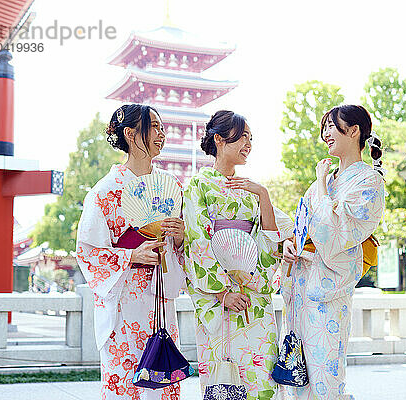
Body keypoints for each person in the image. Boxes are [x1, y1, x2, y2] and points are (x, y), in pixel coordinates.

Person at [76, 104, 186, 400]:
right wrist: (131, 255)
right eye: (155, 126)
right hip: (124, 297)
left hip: (159, 293)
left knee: (163, 378)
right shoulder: (105, 190)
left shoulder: (170, 186)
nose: (163, 133)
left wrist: (180, 238)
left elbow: (184, 247)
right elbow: (87, 252)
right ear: (131, 134)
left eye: (163, 127)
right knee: (127, 380)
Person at [182, 110, 292, 398]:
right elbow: (197, 242)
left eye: (251, 138)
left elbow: (269, 238)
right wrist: (222, 294)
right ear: (218, 139)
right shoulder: (198, 185)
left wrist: (263, 195)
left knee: (263, 381)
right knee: (226, 380)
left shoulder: (250, 188)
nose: (248, 144)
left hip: (255, 297)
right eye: (242, 136)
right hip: (221, 301)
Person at [283, 105, 385, 399]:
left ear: (354, 131)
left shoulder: (370, 180)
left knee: (325, 376)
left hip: (330, 289)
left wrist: (323, 190)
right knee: (296, 377)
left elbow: (337, 235)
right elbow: (302, 225)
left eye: (332, 126)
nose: (326, 134)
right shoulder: (327, 178)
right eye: (325, 127)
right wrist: (291, 245)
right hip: (302, 286)